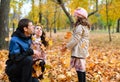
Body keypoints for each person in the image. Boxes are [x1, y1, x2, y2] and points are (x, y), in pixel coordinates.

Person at [62, 7, 90, 82]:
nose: (74, 17)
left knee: (79, 70)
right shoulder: (85, 26)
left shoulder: (80, 27)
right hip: (82, 50)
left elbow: (76, 39)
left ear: (79, 16)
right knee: (82, 69)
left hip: (79, 51)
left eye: (75, 16)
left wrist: (66, 47)